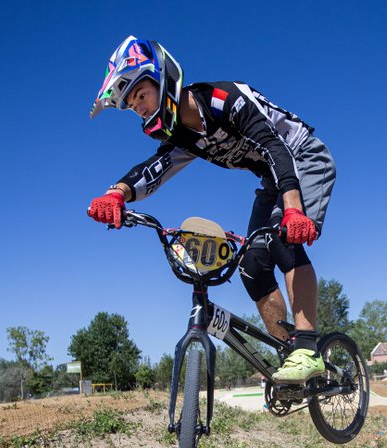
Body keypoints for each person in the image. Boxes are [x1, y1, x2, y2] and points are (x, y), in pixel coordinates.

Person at [86, 36, 332, 384]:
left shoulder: (225, 100)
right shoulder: (185, 136)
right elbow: (155, 168)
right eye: (131, 105)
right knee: (251, 266)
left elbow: (274, 147)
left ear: (164, 79)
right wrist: (117, 194)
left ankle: (307, 348)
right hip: (272, 178)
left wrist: (293, 209)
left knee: (282, 236)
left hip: (302, 159)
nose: (138, 108)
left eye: (140, 95)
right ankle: (289, 359)